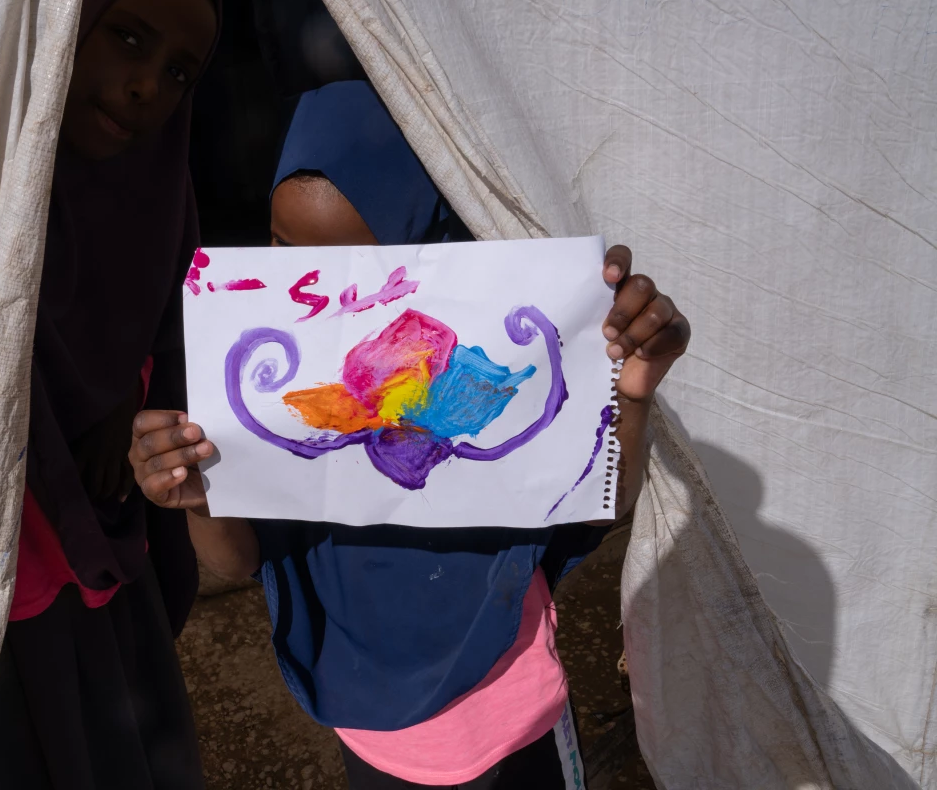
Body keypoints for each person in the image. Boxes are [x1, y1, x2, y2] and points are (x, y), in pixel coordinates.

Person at [131, 81, 690, 789]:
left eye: (358, 270)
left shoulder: (481, 378)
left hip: (512, 716)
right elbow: (239, 560)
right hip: (370, 731)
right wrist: (198, 494)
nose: (323, 294)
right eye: (284, 248)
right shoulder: (276, 407)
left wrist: (630, 395)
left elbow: (597, 501)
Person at [0, 0, 218, 788]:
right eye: (128, 39)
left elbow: (167, 325)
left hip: (112, 522)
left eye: (178, 73)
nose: (146, 85)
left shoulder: (158, 191)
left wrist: (128, 395)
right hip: (7, 563)